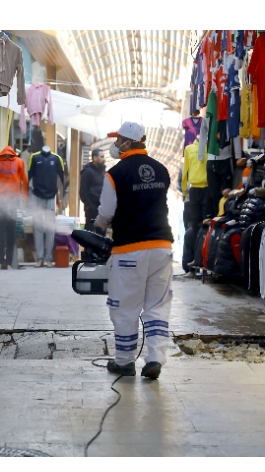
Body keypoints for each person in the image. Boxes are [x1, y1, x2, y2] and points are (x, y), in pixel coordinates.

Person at [95, 122, 173, 380]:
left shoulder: (115, 174)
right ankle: (154, 359)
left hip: (129, 249)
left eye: (118, 140)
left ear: (128, 143)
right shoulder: (161, 170)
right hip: (162, 248)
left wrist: (98, 227)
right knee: (157, 306)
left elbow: (106, 213)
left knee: (125, 307)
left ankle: (124, 362)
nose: (115, 145)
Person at [0, 146, 28, 270]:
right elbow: (24, 181)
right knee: (9, 233)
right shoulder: (17, 162)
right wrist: (23, 198)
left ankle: (2, 263)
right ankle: (7, 263)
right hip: (9, 200)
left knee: (1, 233)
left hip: (3, 200)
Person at [28, 146, 64, 267]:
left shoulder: (57, 158)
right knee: (37, 226)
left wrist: (61, 197)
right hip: (37, 195)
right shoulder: (34, 157)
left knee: (50, 227)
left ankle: (48, 258)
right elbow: (28, 176)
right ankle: (39, 258)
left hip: (51, 197)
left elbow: (62, 178)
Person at [80, 148, 107, 254]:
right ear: (94, 158)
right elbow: (83, 191)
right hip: (91, 207)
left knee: (101, 232)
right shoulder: (87, 172)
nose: (103, 159)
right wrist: (88, 204)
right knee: (90, 232)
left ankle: (100, 254)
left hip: (102, 207)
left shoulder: (103, 171)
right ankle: (89, 255)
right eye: (101, 157)